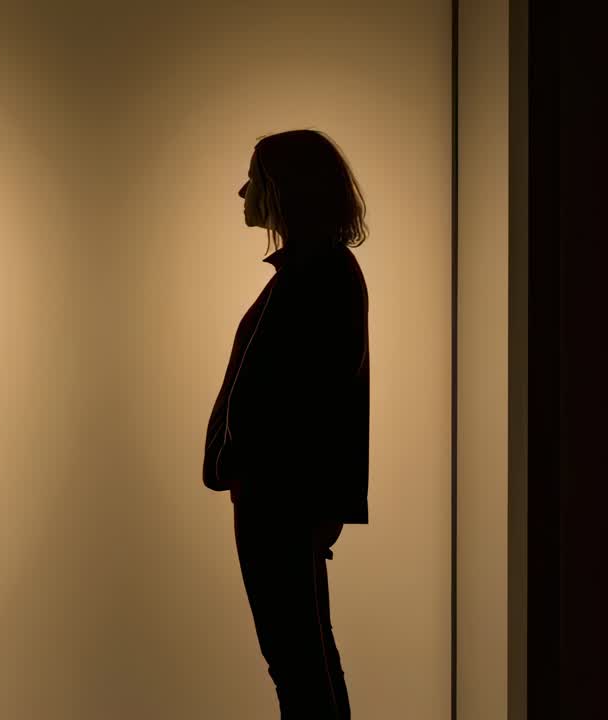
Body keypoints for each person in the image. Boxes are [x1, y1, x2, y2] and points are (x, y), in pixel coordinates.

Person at [203, 129, 370, 719]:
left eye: (256, 176)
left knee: (296, 662)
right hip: (285, 497)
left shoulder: (314, 276)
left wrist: (235, 459)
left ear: (282, 189)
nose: (243, 189)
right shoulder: (317, 272)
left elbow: (309, 398)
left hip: (280, 500)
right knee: (306, 656)